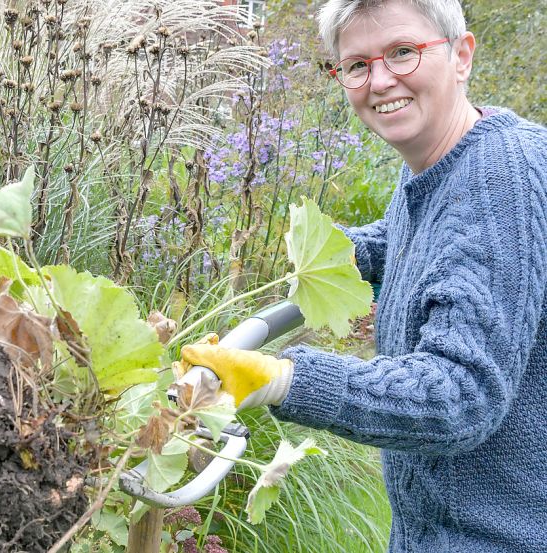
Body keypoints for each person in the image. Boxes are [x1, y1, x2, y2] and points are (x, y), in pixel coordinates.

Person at [178, 0, 547, 551]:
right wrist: (336, 253)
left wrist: (283, 378)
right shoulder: (445, 159)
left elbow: (460, 395)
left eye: (403, 53)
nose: (379, 81)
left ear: (461, 55)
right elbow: (427, 235)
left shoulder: (499, 176)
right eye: (357, 65)